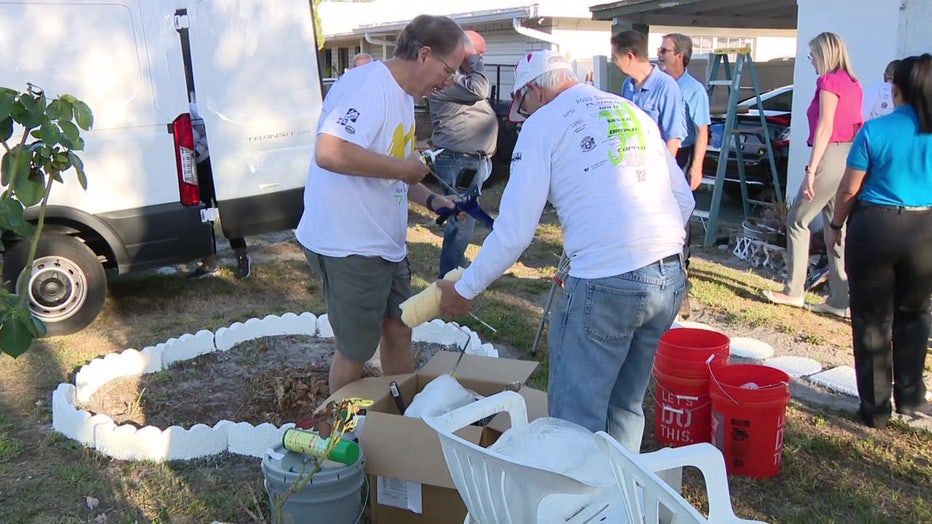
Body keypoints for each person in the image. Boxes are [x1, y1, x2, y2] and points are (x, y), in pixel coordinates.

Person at [437, 50, 694, 452]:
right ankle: (616, 503)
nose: (519, 115)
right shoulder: (629, 110)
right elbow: (683, 200)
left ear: (535, 90)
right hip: (668, 274)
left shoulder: (544, 123)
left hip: (605, 281)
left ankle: (579, 506)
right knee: (625, 405)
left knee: (576, 419)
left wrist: (466, 287)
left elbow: (515, 231)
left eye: (521, 102)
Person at [295, 15, 465, 393]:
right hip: (349, 245)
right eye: (448, 69)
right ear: (424, 55)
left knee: (399, 329)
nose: (448, 81)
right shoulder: (368, 85)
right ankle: (338, 436)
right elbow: (330, 151)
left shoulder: (403, 97)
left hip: (385, 245)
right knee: (356, 349)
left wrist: (432, 198)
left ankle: (400, 419)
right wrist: (405, 169)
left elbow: (393, 171)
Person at [826, 54, 932, 428]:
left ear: (896, 89)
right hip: (925, 230)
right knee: (915, 313)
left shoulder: (875, 130)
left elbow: (849, 187)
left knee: (872, 318)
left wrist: (836, 223)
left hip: (875, 228)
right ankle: (911, 396)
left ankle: (875, 408)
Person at [763, 32, 863, 318]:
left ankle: (793, 290)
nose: (811, 61)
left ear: (825, 54)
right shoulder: (853, 83)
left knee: (798, 219)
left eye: (812, 56)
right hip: (849, 156)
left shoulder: (829, 81)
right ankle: (840, 300)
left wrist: (811, 169)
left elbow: (825, 127)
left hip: (830, 155)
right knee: (835, 226)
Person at [427, 30, 499, 278]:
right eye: (478, 54)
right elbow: (480, 89)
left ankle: (455, 271)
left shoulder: (460, 80)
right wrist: (471, 56)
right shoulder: (446, 80)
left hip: (471, 160)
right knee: (462, 219)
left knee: (464, 217)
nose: (481, 60)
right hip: (459, 160)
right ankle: (450, 277)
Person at [657, 32, 711, 319]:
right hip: (655, 154)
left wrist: (697, 166)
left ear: (681, 55)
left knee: (680, 217)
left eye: (665, 50)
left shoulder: (693, 90)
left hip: (683, 157)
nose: (659, 54)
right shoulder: (656, 83)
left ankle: (680, 277)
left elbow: (702, 130)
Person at [187, 97, 251, 280]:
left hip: (211, 166)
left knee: (227, 214)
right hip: (193, 170)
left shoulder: (195, 109)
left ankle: (242, 256)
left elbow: (212, 133)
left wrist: (198, 151)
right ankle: (209, 263)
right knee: (203, 216)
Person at [611, 29, 688, 156]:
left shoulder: (666, 87)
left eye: (615, 58)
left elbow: (673, 138)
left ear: (630, 57)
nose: (614, 63)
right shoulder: (627, 85)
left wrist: (665, 171)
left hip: (656, 164)